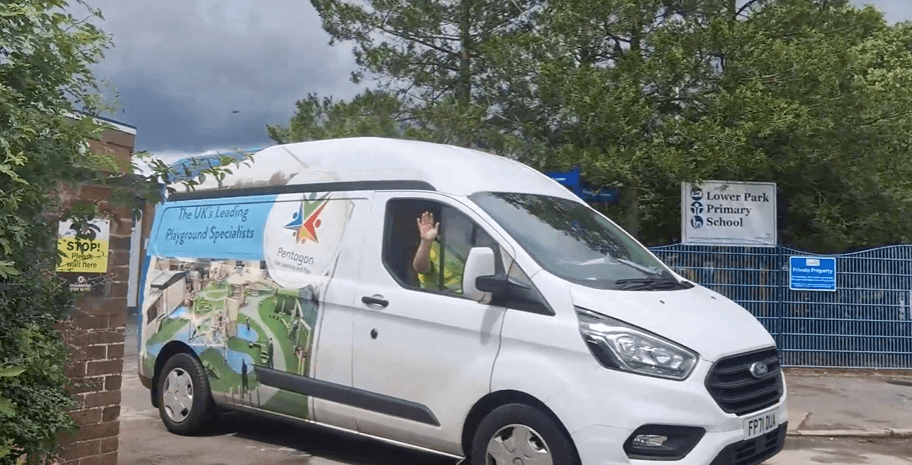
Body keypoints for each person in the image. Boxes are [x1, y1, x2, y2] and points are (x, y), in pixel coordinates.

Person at [412, 211, 465, 293]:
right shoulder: (432, 247)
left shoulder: (464, 246)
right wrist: (426, 241)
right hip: (442, 300)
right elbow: (420, 268)